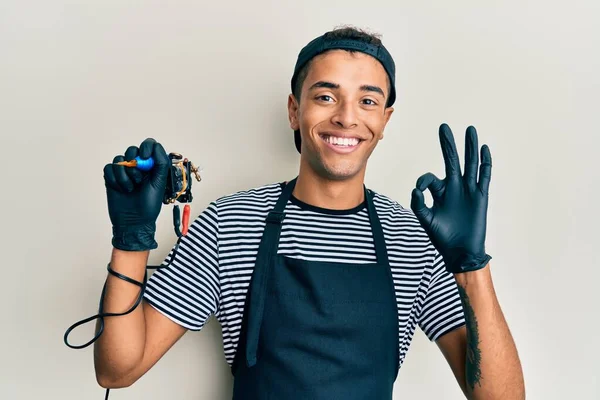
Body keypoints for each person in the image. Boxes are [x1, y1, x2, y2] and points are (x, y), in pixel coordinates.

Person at [96, 26, 525, 399]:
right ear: (294, 110)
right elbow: (118, 369)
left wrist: (471, 266)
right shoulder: (231, 224)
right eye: (325, 96)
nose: (346, 117)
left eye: (368, 102)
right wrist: (132, 237)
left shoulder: (409, 238)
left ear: (385, 120)